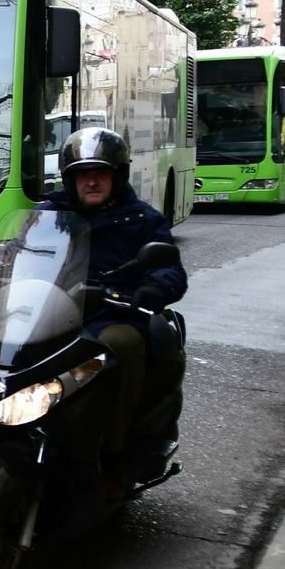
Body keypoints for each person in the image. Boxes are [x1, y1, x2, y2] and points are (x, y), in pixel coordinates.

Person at [39, 127, 188, 481]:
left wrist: (153, 288)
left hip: (115, 312)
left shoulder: (142, 219)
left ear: (117, 176)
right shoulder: (51, 213)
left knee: (117, 346)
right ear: (70, 179)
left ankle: (115, 450)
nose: (92, 183)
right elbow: (19, 249)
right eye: (83, 175)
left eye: (100, 174)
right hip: (56, 310)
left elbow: (170, 268)